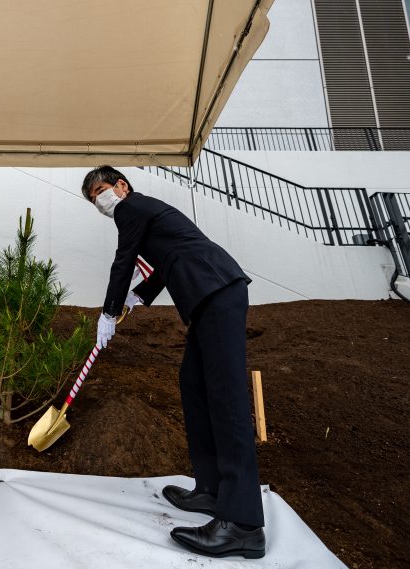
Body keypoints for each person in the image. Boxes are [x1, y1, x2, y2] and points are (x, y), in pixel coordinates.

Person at [82, 165, 266, 560]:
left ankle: (244, 523)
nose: (100, 201)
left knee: (228, 399)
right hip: (209, 296)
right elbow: (166, 262)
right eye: (92, 199)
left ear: (121, 186)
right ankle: (212, 491)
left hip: (216, 290)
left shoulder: (131, 208)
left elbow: (124, 258)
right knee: (194, 385)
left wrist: (110, 310)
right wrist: (138, 297)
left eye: (101, 190)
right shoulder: (148, 213)